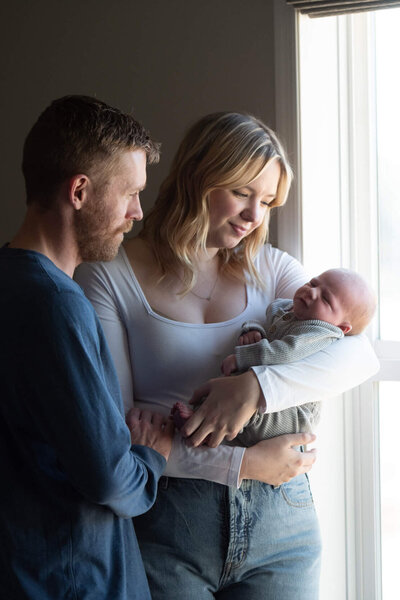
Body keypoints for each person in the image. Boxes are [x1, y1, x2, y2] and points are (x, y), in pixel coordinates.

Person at [75, 112, 379, 599]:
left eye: (267, 201)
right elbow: (118, 436)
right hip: (170, 522)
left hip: (285, 521)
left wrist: (255, 388)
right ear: (199, 175)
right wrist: (244, 464)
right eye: (242, 192)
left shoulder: (274, 269)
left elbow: (359, 355)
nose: (254, 216)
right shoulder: (108, 276)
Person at [0, 95, 175, 600]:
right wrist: (150, 456)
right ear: (79, 190)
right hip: (75, 582)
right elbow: (109, 479)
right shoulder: (57, 303)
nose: (138, 213)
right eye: (131, 194)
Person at [173, 267, 377, 446]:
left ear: (341, 327)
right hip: (267, 398)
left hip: (291, 413)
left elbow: (286, 351)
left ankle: (211, 431)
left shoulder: (320, 332)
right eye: (313, 283)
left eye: (325, 299)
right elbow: (264, 325)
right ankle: (200, 416)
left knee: (252, 414)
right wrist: (253, 330)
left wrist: (243, 357)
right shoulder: (287, 309)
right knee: (226, 390)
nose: (312, 292)